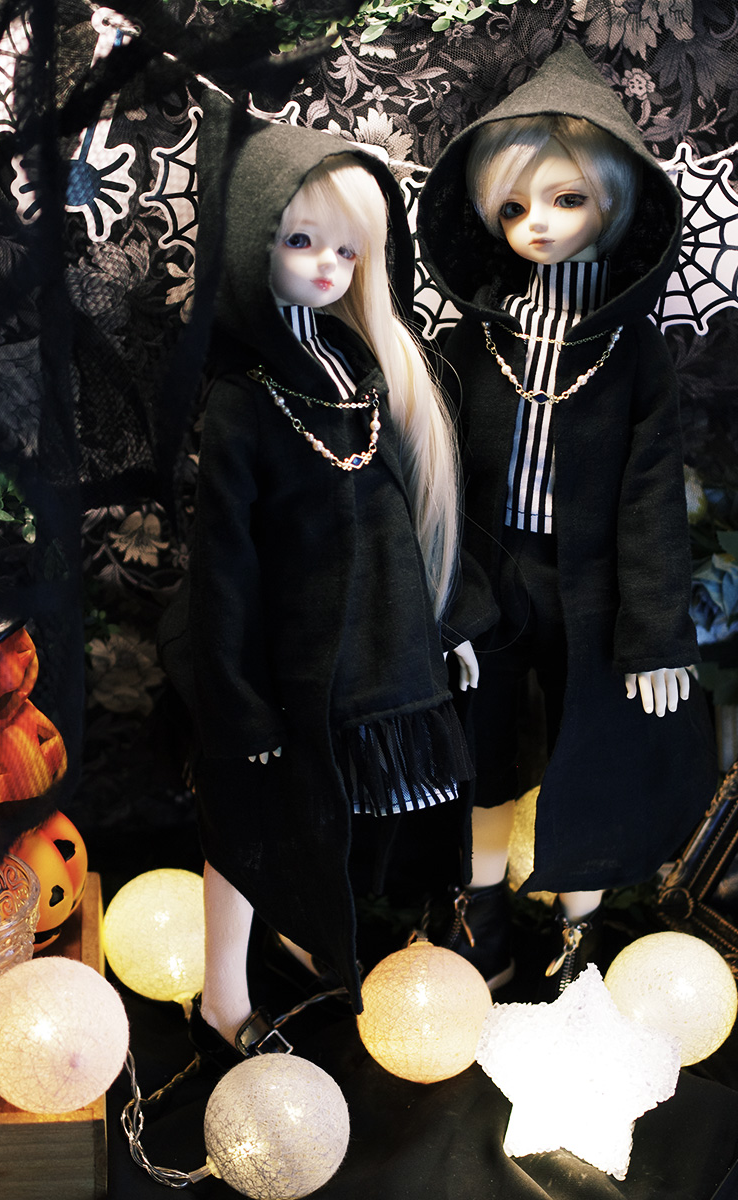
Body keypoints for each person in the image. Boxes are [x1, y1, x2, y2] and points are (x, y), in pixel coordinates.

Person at [159, 101, 490, 1064]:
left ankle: (310, 938)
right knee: (246, 829)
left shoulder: (362, 368)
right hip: (280, 666)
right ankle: (224, 998)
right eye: (300, 241)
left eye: (347, 252)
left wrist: (447, 621)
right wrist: (239, 708)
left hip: (372, 656)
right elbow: (224, 569)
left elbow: (410, 516)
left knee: (334, 823)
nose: (326, 268)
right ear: (251, 244)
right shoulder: (243, 402)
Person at [417, 41, 716, 995]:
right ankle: (479, 916)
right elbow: (439, 482)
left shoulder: (634, 353)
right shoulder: (477, 338)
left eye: (565, 199)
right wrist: (449, 603)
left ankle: (577, 932)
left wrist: (656, 631)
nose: (537, 223)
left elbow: (650, 495)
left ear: (611, 204)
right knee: (482, 746)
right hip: (492, 574)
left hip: (593, 585)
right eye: (513, 208)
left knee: (586, 752)